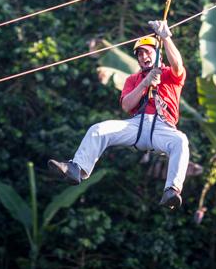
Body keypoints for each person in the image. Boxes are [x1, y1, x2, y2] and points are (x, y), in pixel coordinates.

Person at [47, 19, 189, 210]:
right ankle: (77, 168)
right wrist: (145, 83)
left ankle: (172, 190)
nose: (143, 56)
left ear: (158, 54)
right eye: (140, 54)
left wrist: (166, 37)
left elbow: (178, 65)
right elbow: (127, 105)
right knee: (99, 129)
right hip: (137, 126)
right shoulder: (133, 79)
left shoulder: (169, 74)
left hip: (163, 128)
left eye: (148, 52)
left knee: (180, 141)